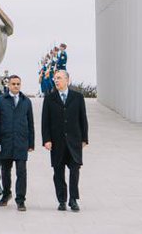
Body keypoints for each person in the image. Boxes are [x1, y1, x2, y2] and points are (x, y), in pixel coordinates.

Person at [41, 68, 88, 212]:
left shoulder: (78, 97)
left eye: (59, 78)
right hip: (57, 142)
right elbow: (45, 122)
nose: (56, 80)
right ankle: (61, 200)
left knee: (75, 171)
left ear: (67, 80)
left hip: (74, 142)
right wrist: (46, 140)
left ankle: (73, 199)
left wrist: (84, 138)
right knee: (58, 173)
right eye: (55, 78)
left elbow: (83, 119)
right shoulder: (49, 99)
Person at [0, 74, 34, 211]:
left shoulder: (26, 101)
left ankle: (20, 200)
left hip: (21, 142)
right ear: (8, 85)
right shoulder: (0, 100)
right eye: (13, 84)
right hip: (5, 141)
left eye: (18, 84)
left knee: (21, 172)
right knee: (5, 171)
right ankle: (6, 193)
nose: (16, 86)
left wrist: (31, 143)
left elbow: (30, 123)